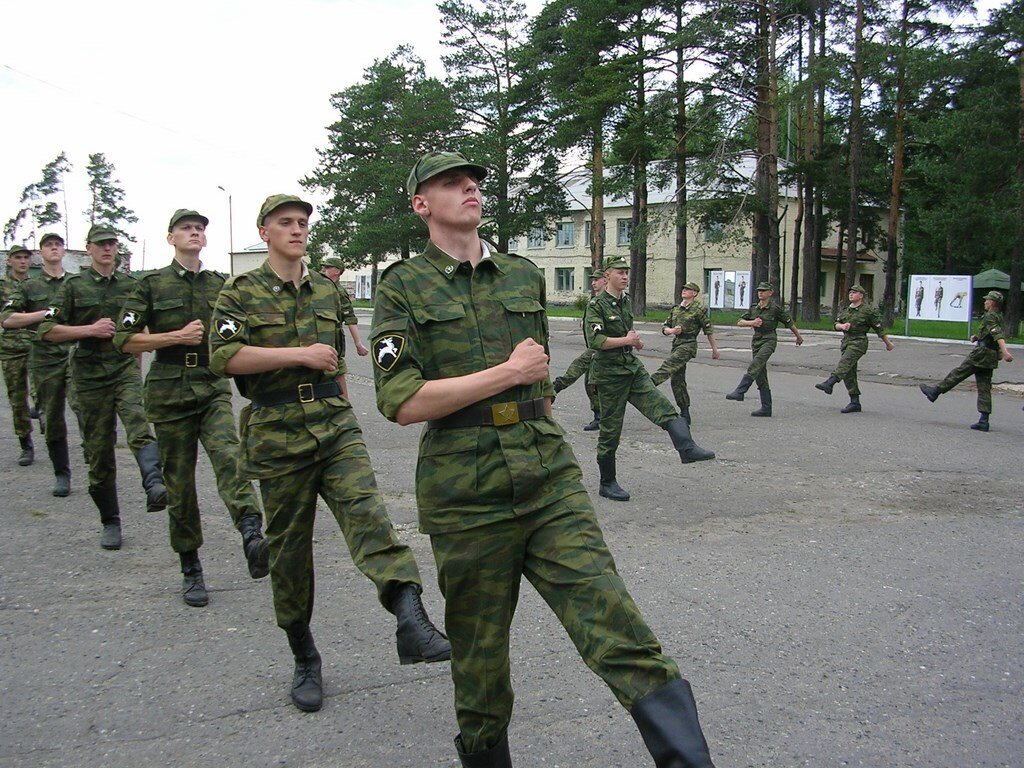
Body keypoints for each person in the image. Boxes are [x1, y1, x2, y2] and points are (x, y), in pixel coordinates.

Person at [372, 151, 717, 767]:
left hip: (548, 481)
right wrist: (507, 373)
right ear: (421, 204)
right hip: (466, 496)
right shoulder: (402, 285)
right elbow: (401, 401)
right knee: (480, 667)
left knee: (617, 627)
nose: (469, 188)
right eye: (449, 183)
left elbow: (538, 387)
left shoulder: (522, 275)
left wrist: (536, 403)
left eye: (472, 180)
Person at [209, 194, 449, 713]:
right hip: (276, 432)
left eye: (302, 223)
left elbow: (337, 359)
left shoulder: (325, 288)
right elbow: (224, 356)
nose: (297, 230)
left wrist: (340, 393)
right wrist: (298, 354)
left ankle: (411, 618)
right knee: (290, 554)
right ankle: (304, 655)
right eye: (285, 223)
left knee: (370, 518)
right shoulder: (239, 291)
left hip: (333, 424)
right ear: (265, 231)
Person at [113, 209, 270, 607]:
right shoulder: (150, 284)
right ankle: (191, 566)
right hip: (168, 391)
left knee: (230, 457)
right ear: (171, 238)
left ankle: (251, 532)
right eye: (186, 228)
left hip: (211, 385)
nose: (195, 232)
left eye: (200, 228)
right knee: (180, 484)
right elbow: (124, 339)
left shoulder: (221, 284)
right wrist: (172, 337)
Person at [38, 224, 168, 550]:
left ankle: (154, 484)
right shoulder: (73, 286)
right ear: (89, 249)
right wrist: (88, 330)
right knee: (99, 453)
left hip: (123, 369)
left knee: (138, 423)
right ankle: (110, 520)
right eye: (101, 244)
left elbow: (142, 325)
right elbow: (47, 330)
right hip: (88, 377)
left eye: (111, 243)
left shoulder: (131, 285)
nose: (107, 249)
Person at [583, 257, 715, 501]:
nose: (625, 277)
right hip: (610, 375)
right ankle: (607, 482)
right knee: (611, 430)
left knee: (662, 407)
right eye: (620, 272)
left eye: (627, 273)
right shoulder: (596, 306)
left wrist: (634, 342)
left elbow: (626, 335)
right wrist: (628, 341)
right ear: (608, 275)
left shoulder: (625, 302)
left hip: (631, 368)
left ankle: (687, 448)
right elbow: (596, 342)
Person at [1, 234, 79, 494]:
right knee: (35, 406)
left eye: (58, 244)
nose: (54, 248)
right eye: (48, 245)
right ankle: (52, 463)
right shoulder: (30, 287)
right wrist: (45, 314)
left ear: (64, 250)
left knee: (83, 404)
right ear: (41, 253)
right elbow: (8, 318)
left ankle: (95, 450)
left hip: (74, 354)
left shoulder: (76, 282)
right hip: (37, 353)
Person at [919, 290, 1014, 431]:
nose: (985, 302)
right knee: (984, 387)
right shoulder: (998, 317)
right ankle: (984, 420)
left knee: (959, 372)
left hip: (981, 354)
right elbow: (991, 333)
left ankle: (935, 391)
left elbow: (997, 335)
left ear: (992, 303)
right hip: (991, 356)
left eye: (987, 300)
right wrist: (977, 337)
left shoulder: (989, 317)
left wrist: (1006, 352)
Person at [725, 281, 804, 417]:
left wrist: (798, 337)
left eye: (763, 290)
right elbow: (740, 322)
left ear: (770, 293)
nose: (760, 293)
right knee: (760, 374)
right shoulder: (754, 309)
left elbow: (789, 322)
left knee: (757, 363)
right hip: (756, 341)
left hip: (769, 339)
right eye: (759, 291)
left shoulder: (775, 309)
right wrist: (752, 322)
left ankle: (740, 391)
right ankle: (766, 408)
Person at [814, 285, 894, 413]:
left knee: (844, 363)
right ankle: (855, 402)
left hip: (859, 341)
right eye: (850, 292)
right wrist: (842, 326)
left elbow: (878, 328)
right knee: (849, 372)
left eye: (854, 292)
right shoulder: (846, 310)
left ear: (861, 295)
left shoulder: (867, 311)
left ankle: (830, 382)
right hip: (846, 342)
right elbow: (835, 324)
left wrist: (887, 343)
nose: (851, 294)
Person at [650, 281, 720, 424]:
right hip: (676, 343)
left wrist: (714, 349)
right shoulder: (676, 309)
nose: (684, 291)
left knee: (669, 365)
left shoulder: (698, 310)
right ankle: (685, 412)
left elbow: (708, 330)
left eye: (688, 289)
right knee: (677, 380)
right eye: (683, 289)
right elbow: (665, 328)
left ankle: (647, 384)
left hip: (688, 345)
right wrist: (671, 331)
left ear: (694, 293)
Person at [552, 269, 606, 431]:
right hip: (594, 347)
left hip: (602, 348)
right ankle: (599, 417)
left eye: (597, 279)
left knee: (579, 365)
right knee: (590, 383)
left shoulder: (607, 301)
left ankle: (556, 387)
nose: (593, 282)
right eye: (592, 280)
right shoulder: (595, 300)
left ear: (605, 280)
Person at [0, 244, 35, 466]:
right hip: (11, 348)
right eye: (18, 258)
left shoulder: (37, 286)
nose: (22, 261)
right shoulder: (2, 287)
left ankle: (41, 414)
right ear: (9, 261)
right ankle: (26, 444)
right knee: (17, 398)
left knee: (48, 391)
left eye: (25, 257)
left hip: (37, 345)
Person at [318, 256, 370, 357]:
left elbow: (350, 318)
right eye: (323, 267)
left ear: (337, 271)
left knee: (334, 368)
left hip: (332, 338)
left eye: (328, 267)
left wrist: (358, 344)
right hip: (316, 337)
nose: (323, 270)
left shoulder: (339, 292)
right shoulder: (318, 288)